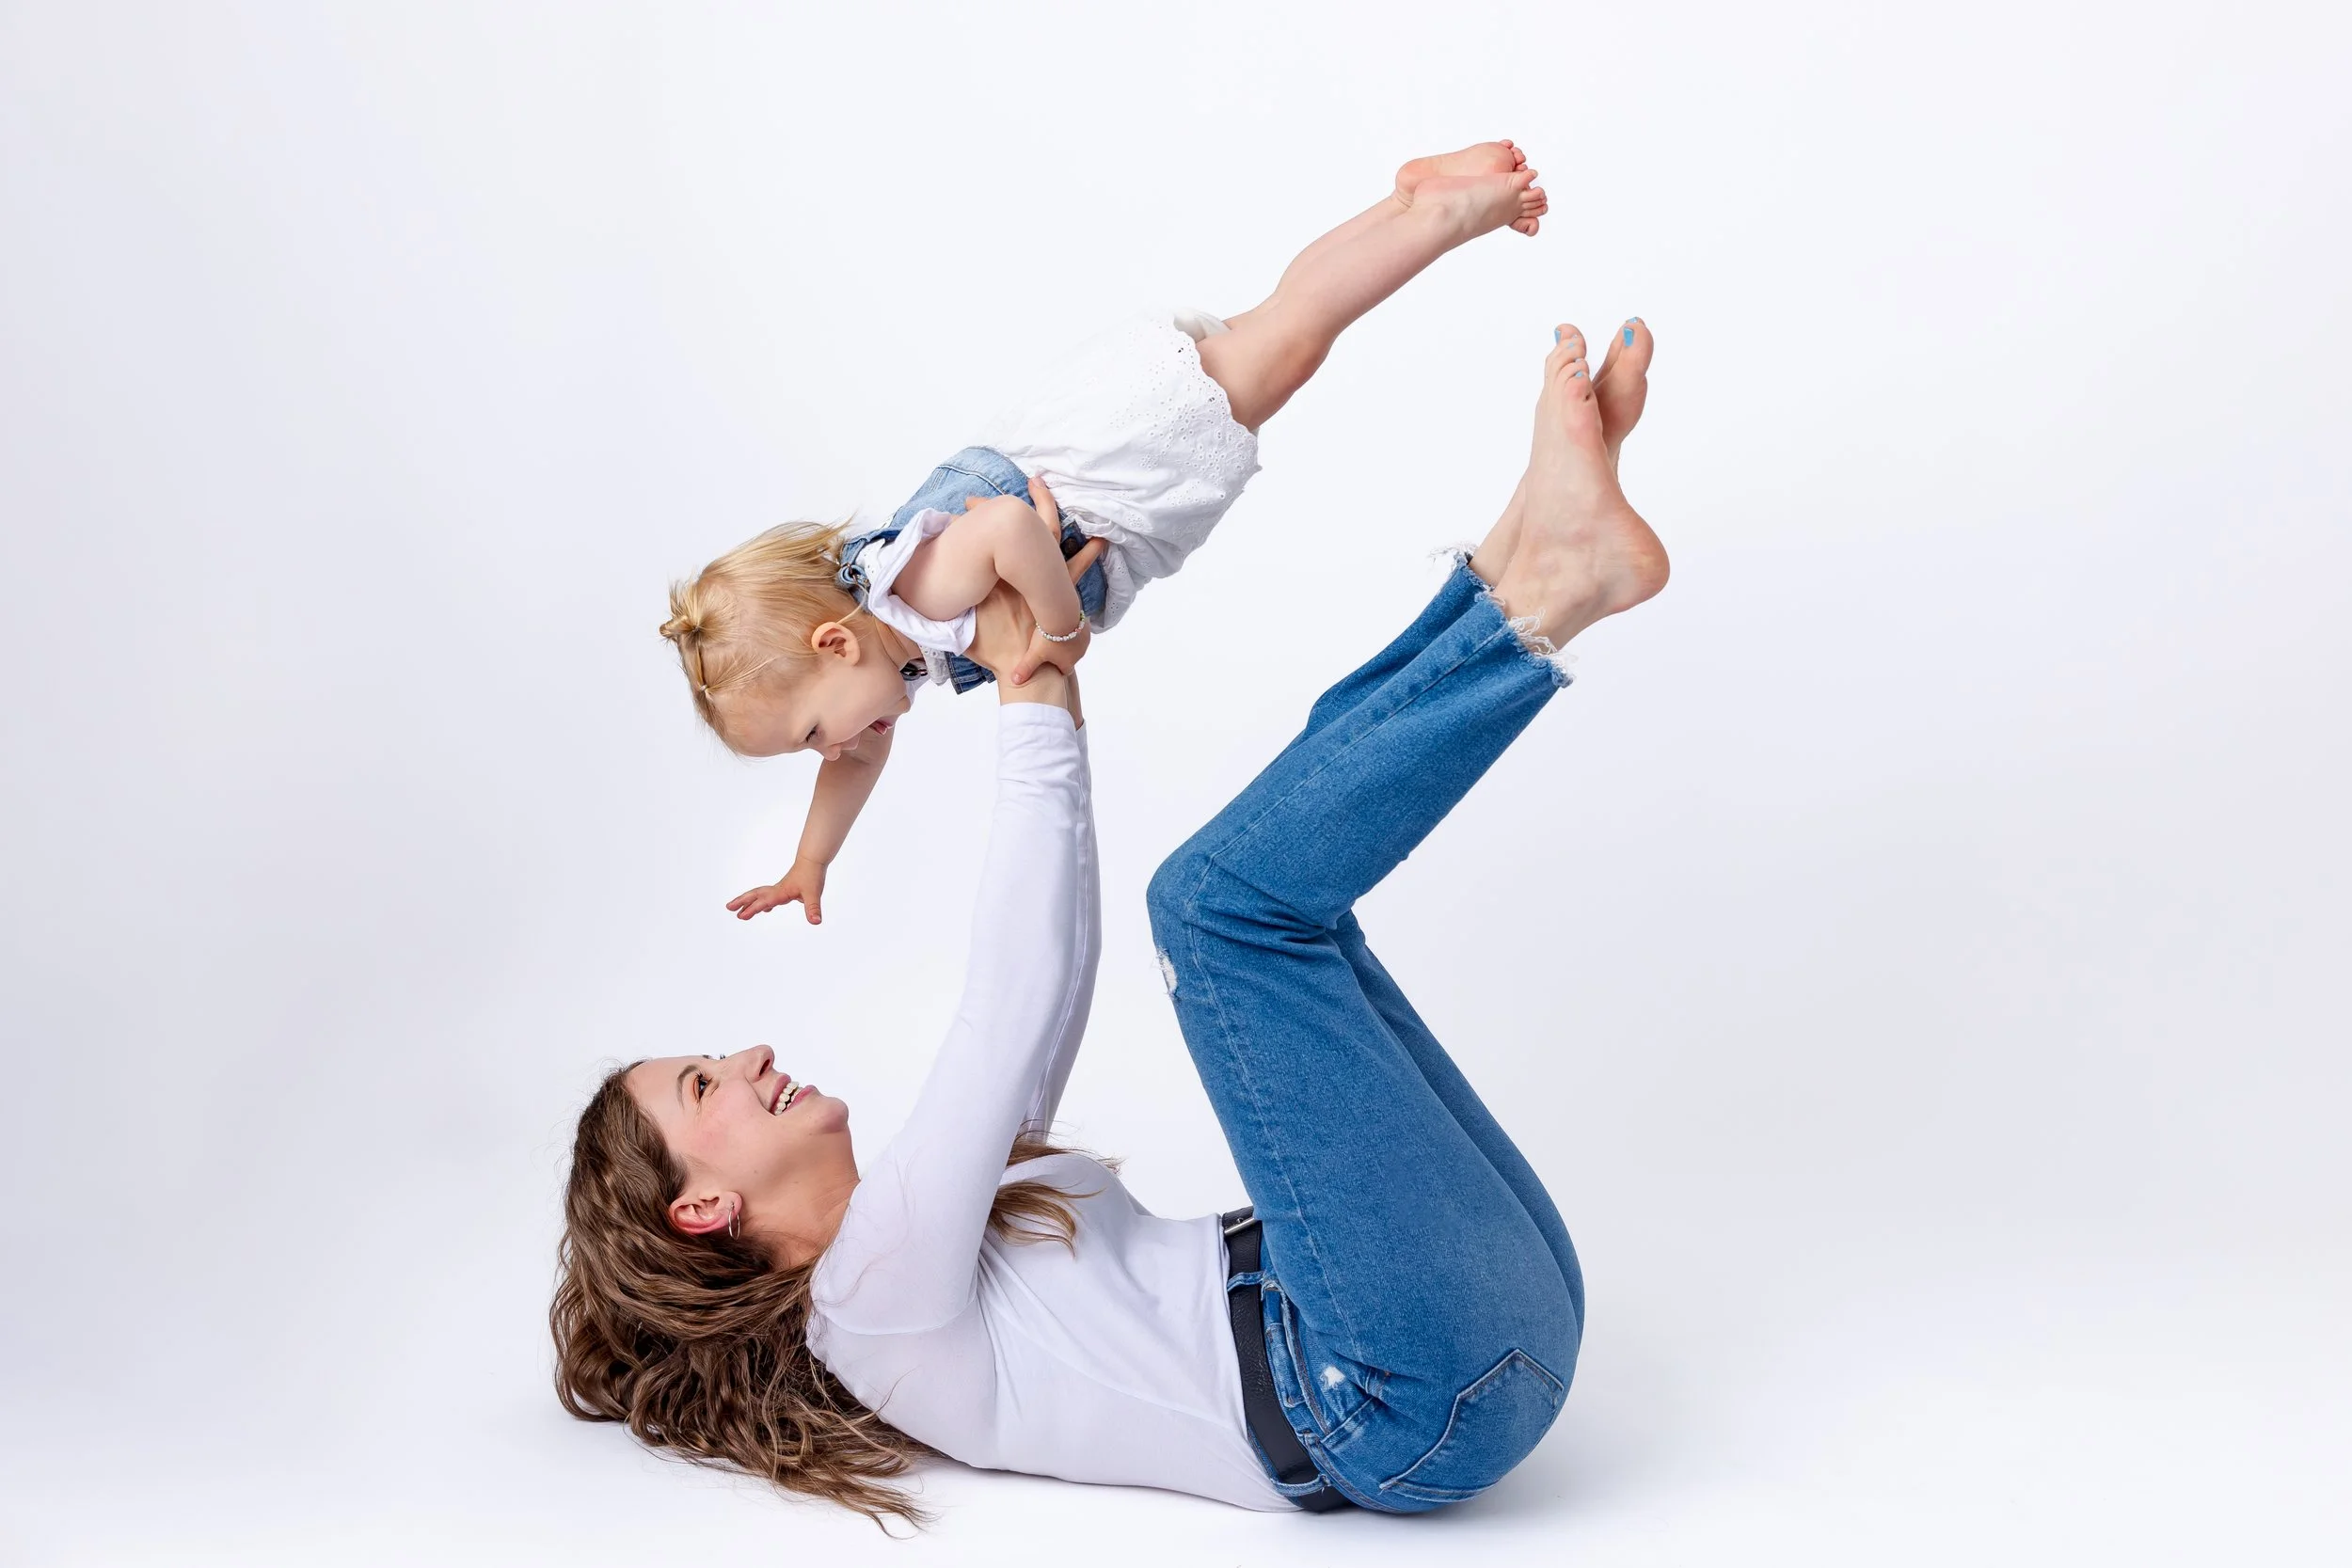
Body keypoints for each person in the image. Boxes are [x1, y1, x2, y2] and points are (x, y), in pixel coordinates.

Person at [550, 315, 1666, 1522]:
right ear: (701, 1208)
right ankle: (1543, 594)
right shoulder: (863, 1298)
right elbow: (1008, 1004)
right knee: (1222, 911)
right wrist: (1025, 695)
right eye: (704, 1085)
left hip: (1443, 1319)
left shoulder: (925, 1226)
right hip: (1394, 1389)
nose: (749, 1054)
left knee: (1275, 912)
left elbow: (1054, 980)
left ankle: (1518, 568)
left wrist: (1048, 682)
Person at [652, 142, 1550, 926]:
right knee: (1281, 324)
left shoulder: (915, 592)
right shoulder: (889, 641)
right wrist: (811, 861)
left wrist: (1062, 627)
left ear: (836, 643)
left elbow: (1009, 527)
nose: (835, 751)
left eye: (814, 731)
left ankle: (1448, 219)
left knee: (1293, 337)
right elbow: (859, 761)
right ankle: (1408, 202)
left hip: (1122, 448)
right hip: (1103, 432)